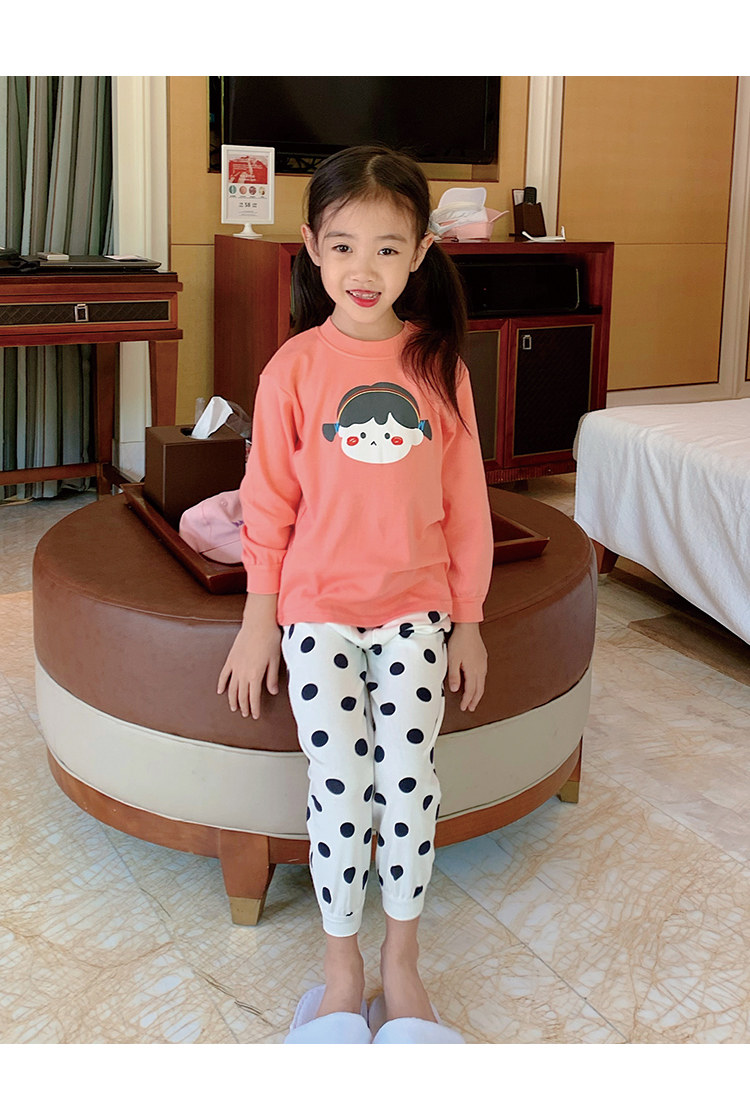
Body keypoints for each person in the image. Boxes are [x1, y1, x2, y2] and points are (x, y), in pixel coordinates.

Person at [217, 145, 493, 1044]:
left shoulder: (441, 367)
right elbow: (267, 504)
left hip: (416, 611)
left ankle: (400, 965)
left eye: (387, 247)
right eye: (342, 246)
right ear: (310, 248)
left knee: (408, 785)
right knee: (339, 787)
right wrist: (259, 620)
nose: (363, 268)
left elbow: (467, 507)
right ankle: (341, 972)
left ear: (420, 254)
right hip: (318, 614)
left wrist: (469, 621)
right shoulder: (293, 368)